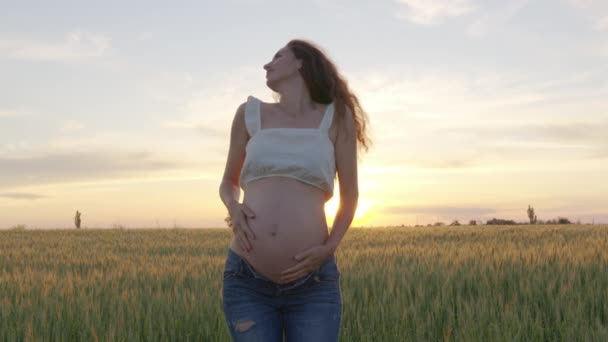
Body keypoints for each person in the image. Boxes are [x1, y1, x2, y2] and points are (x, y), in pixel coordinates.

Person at [218, 38, 371, 341]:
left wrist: (329, 248)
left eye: (277, 56)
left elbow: (350, 195)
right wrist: (233, 208)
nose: (267, 64)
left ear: (301, 62)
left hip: (312, 282)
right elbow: (228, 183)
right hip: (246, 277)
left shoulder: (336, 116)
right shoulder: (248, 113)